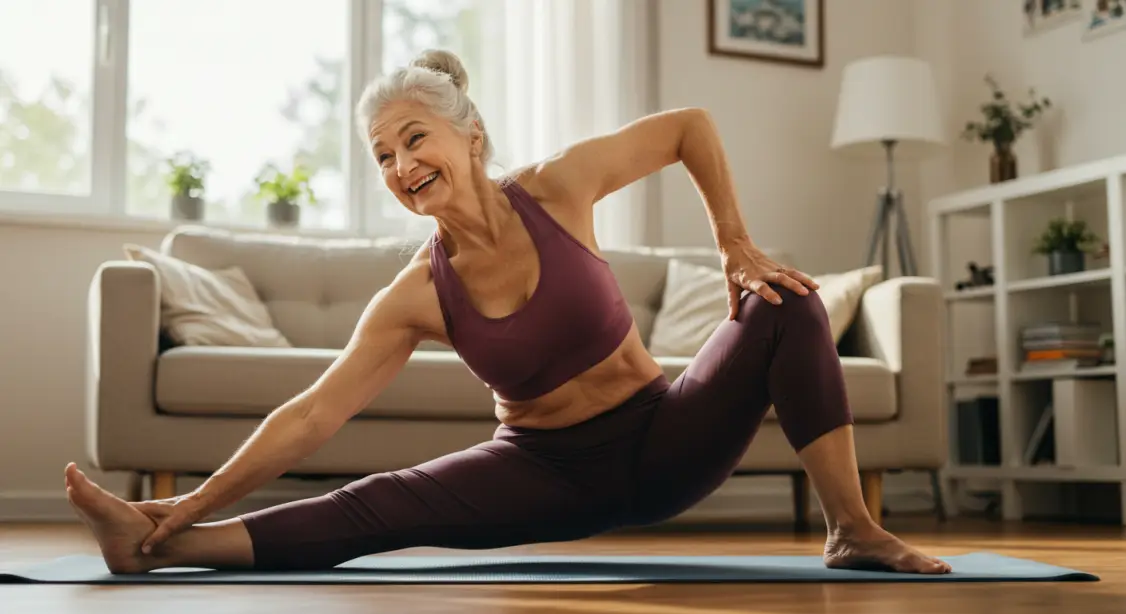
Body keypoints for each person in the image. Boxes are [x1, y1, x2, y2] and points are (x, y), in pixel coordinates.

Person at [63, 49, 951, 576]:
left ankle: (852, 530)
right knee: (376, 506)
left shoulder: (557, 189)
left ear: (469, 137)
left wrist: (732, 243)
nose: (401, 165)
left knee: (784, 300)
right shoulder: (414, 294)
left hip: (666, 438)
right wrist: (190, 505)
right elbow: (313, 416)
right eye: (382, 156)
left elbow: (690, 125)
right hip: (545, 471)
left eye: (416, 139)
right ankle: (155, 542)